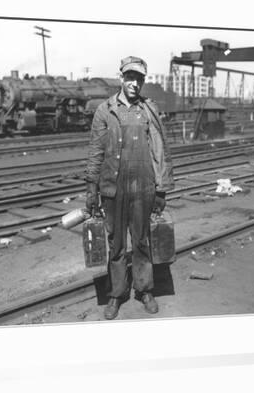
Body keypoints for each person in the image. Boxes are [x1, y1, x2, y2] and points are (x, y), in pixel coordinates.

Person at [85, 56, 174, 320]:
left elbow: (160, 151)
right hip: (114, 187)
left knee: (142, 241)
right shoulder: (105, 110)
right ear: (121, 77)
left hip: (143, 186)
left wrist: (161, 189)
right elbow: (96, 152)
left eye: (140, 79)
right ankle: (116, 293)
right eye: (130, 77)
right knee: (116, 245)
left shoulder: (149, 110)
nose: (135, 83)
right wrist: (92, 188)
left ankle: (145, 289)